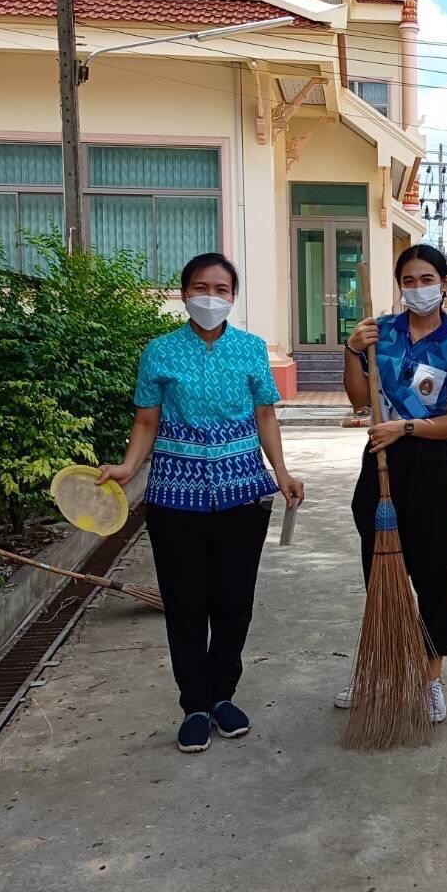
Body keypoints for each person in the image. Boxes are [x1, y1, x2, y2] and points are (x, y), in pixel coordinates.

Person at [99, 253, 304, 754]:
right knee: (186, 606)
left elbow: (266, 418)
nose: (210, 296)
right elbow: (147, 421)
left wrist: (281, 472)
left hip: (242, 493)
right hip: (175, 496)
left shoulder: (253, 350)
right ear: (184, 292)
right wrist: (128, 469)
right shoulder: (160, 352)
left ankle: (223, 696)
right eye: (200, 287)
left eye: (221, 288)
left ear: (233, 296)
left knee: (234, 605)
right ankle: (194, 703)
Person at [336, 244, 447, 722]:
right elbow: (359, 399)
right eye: (409, 281)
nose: (418, 289)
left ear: (443, 284)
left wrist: (406, 428)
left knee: (434, 574)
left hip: (431, 463)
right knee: (380, 574)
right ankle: (378, 669)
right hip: (379, 460)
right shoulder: (381, 333)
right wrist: (353, 350)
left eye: (426, 279)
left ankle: (431, 678)